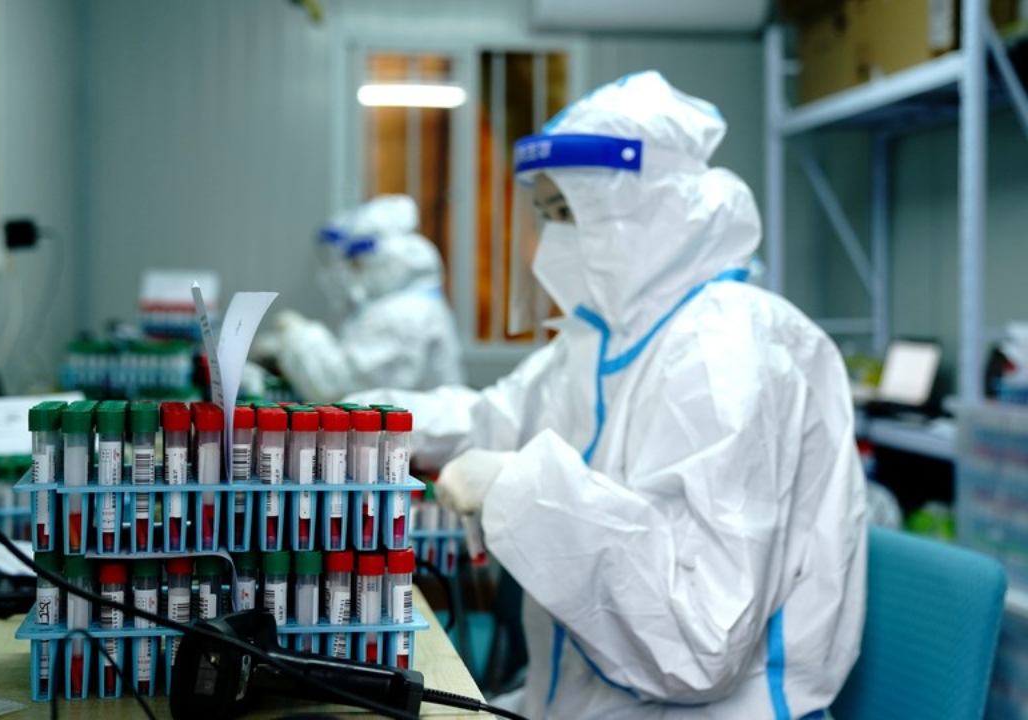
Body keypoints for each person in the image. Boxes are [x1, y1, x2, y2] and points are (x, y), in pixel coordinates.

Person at [349, 71, 867, 718]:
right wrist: (351, 419)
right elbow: (490, 417)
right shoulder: (602, 341)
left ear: (650, 209)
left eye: (569, 213)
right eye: (544, 214)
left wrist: (519, 488)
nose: (549, 241)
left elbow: (701, 641)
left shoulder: (728, 350)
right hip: (579, 698)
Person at [272, 194, 465, 403]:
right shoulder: (408, 304)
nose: (353, 273)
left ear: (385, 259)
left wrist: (298, 335)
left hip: (412, 434)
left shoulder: (402, 315)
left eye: (358, 263)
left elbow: (336, 386)